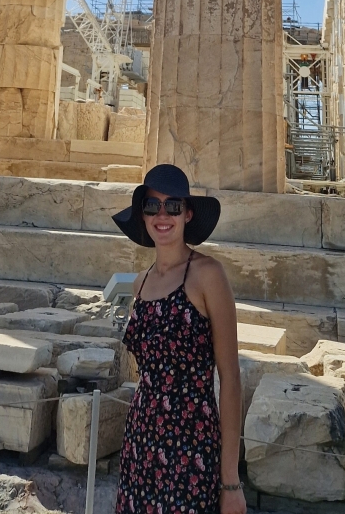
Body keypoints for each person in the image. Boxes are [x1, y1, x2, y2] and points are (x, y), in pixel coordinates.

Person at [112, 164, 247, 514]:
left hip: (191, 448)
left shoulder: (208, 275)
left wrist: (230, 481)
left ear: (187, 214)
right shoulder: (140, 283)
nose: (162, 215)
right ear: (142, 215)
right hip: (140, 444)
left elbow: (231, 379)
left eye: (172, 206)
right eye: (152, 206)